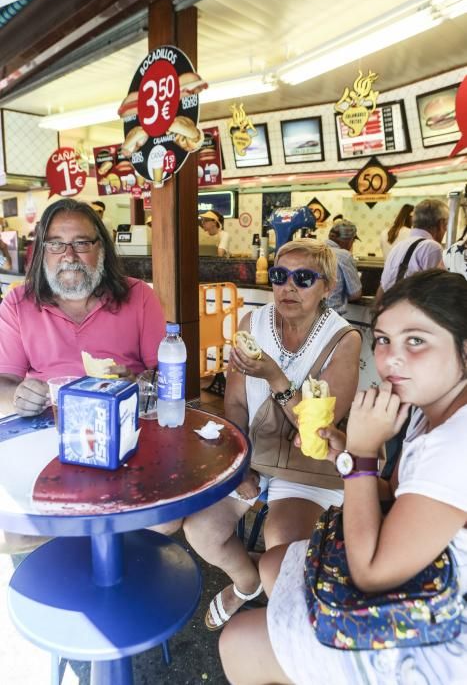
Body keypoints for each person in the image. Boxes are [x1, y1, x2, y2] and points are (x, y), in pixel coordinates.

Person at [219, 269, 467, 685]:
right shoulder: (429, 408)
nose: (390, 359)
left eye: (417, 340)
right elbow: (396, 495)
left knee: (238, 640)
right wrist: (349, 455)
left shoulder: (454, 444)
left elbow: (371, 572)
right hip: (422, 566)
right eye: (385, 339)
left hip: (441, 621)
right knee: (275, 560)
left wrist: (366, 453)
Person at [184, 239, 361, 630]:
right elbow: (234, 404)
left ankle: (282, 635)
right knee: (200, 528)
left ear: (328, 287)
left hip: (309, 461)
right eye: (281, 276)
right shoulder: (253, 324)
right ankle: (244, 583)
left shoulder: (344, 340)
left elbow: (317, 431)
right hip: (256, 452)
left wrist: (274, 376)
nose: (288, 288)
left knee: (281, 551)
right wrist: (239, 467)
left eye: (304, 278)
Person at [0, 198, 166, 417]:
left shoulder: (139, 295)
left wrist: (137, 386)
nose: (69, 257)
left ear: (102, 249)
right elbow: (5, 381)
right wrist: (19, 397)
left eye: (81, 243)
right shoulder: (17, 303)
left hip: (124, 422)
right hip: (47, 428)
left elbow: (166, 376)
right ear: (43, 252)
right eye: (56, 244)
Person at [378, 199, 448, 296]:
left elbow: (383, 286)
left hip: (391, 304)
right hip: (411, 308)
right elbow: (433, 292)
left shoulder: (398, 247)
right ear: (441, 224)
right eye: (446, 225)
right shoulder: (432, 247)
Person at [326, 219, 362, 314]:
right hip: (331, 315)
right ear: (349, 240)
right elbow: (355, 294)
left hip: (309, 315)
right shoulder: (344, 256)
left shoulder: (314, 249)